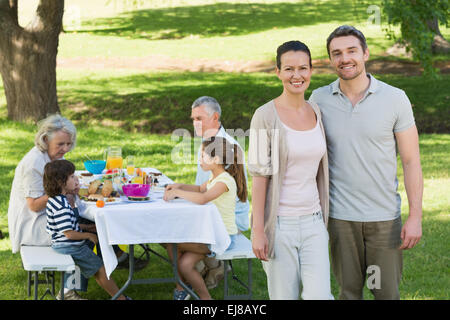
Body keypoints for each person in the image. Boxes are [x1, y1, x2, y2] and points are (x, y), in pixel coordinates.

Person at [309, 25, 423, 300]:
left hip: (384, 219)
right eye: (336, 53)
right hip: (339, 218)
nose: (344, 58)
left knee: (384, 293)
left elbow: (411, 161)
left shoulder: (395, 99)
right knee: (348, 293)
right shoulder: (319, 100)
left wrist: (416, 216)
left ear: (365, 54)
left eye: (351, 51)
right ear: (330, 60)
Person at [7, 114, 144, 300]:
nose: (65, 149)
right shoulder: (34, 163)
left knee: (96, 226)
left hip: (50, 217)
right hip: (34, 225)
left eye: (68, 144)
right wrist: (63, 191)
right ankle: (92, 278)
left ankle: (104, 264)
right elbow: (33, 205)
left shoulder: (48, 156)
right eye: (61, 144)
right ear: (45, 139)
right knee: (91, 232)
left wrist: (70, 191)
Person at [248, 40, 333, 300]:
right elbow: (260, 176)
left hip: (315, 222)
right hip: (279, 224)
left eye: (303, 68)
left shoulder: (316, 111)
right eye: (289, 69)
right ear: (278, 72)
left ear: (311, 70)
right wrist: (258, 230)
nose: (296, 75)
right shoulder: (264, 115)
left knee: (320, 296)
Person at [163, 136, 247, 300]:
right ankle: (196, 294)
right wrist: (179, 185)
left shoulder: (224, 181)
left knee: (172, 243)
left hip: (222, 237)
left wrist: (177, 193)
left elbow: (203, 198)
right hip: (210, 233)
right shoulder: (215, 178)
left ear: (215, 159)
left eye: (202, 155)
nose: (199, 159)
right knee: (185, 264)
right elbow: (199, 189)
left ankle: (183, 289)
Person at [44, 159, 130, 300]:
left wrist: (88, 227)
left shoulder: (58, 199)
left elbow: (70, 224)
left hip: (65, 244)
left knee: (96, 240)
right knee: (99, 268)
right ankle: (120, 298)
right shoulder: (61, 206)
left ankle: (69, 291)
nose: (76, 178)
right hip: (69, 246)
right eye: (72, 177)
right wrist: (88, 236)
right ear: (60, 182)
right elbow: (69, 234)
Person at [190, 96, 250, 288]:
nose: (194, 123)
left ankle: (212, 266)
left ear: (215, 117)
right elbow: (204, 187)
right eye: (193, 119)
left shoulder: (226, 148)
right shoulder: (208, 143)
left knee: (176, 231)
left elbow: (225, 196)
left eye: (199, 118)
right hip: (211, 210)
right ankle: (201, 266)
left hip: (229, 219)